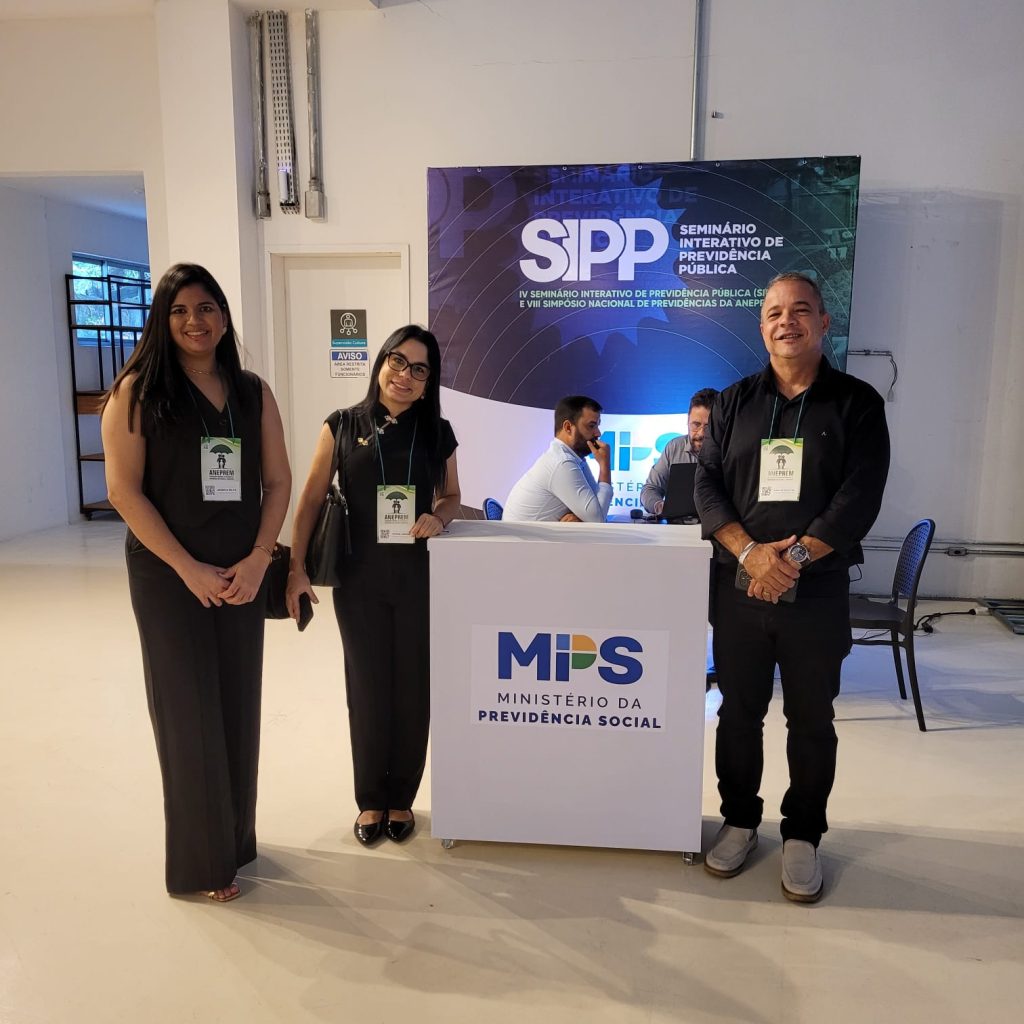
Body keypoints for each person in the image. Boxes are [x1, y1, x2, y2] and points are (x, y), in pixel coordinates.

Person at [694, 272, 889, 903]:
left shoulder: (858, 403)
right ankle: (740, 820)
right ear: (762, 326)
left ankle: (803, 833)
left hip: (818, 591)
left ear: (823, 322)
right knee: (738, 713)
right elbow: (707, 487)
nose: (787, 321)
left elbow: (860, 497)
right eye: (775, 312)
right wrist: (751, 555)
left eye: (800, 310)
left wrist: (792, 559)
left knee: (811, 718)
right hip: (739, 589)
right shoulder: (732, 403)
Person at [101, 263, 291, 902]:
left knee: (237, 704)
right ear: (162, 319)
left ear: (225, 317)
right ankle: (203, 864)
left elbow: (278, 482)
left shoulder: (252, 392)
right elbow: (123, 492)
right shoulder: (137, 392)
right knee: (188, 713)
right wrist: (188, 569)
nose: (194, 321)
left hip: (240, 572)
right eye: (179, 310)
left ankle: (233, 841)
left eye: (206, 307)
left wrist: (260, 558)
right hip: (168, 574)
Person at [286, 326, 461, 846]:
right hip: (358, 577)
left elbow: (452, 495)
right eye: (397, 361)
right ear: (382, 362)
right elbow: (311, 499)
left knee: (412, 688)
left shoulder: (438, 431)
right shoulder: (342, 424)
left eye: (419, 369)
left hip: (418, 577)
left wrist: (439, 517)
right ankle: (369, 799)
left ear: (429, 382)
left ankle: (401, 796)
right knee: (366, 688)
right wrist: (295, 567)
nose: (405, 375)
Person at [502, 395, 612, 522]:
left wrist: (582, 518)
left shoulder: (574, 458)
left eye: (597, 426)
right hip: (523, 535)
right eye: (591, 426)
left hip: (532, 533)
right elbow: (598, 521)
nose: (598, 433)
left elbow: (598, 510)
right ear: (568, 427)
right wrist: (604, 466)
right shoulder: (562, 462)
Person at [640, 387, 719, 516]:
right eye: (696, 424)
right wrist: (660, 506)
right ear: (687, 421)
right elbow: (650, 489)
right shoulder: (674, 448)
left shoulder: (733, 450)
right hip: (681, 525)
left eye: (708, 426)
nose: (701, 433)